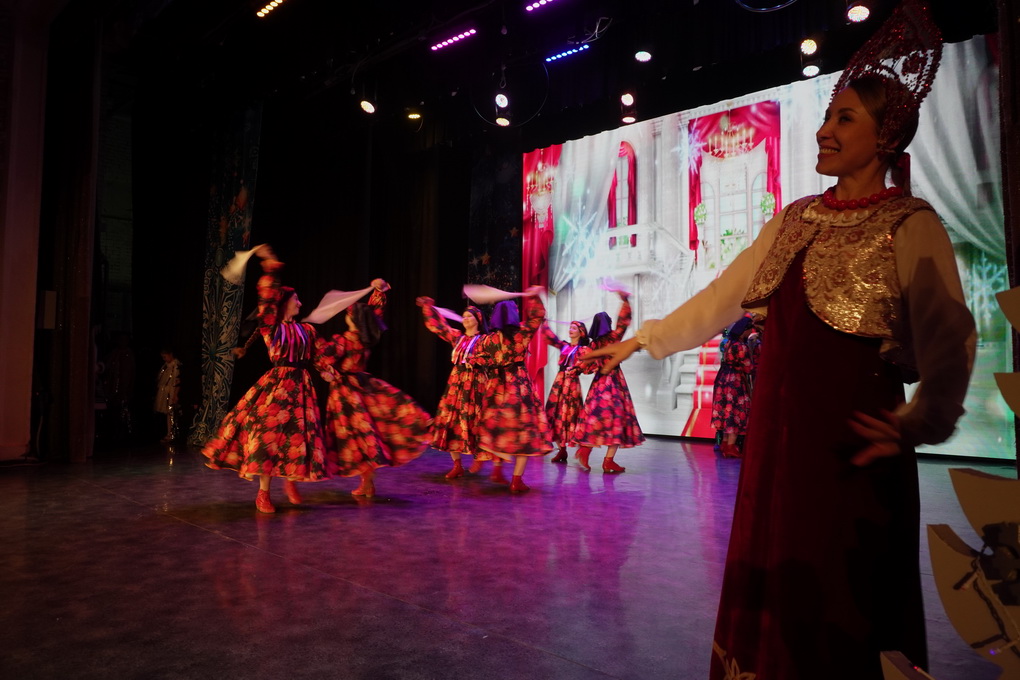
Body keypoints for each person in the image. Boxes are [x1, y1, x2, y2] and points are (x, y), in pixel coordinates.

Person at [580, 3, 976, 676]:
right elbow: (724, 294)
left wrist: (920, 421)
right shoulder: (797, 220)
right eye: (826, 117)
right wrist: (642, 341)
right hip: (778, 444)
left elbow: (949, 333)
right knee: (778, 584)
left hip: (851, 449)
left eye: (843, 119)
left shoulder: (910, 223)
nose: (824, 131)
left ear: (885, 135)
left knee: (841, 597)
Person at [202, 245, 334, 513]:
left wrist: (326, 370)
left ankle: (291, 481)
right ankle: (263, 493)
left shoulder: (307, 330)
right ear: (284, 303)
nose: (300, 304)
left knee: (298, 437)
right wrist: (271, 265)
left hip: (302, 388)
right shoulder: (271, 328)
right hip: (278, 385)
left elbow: (320, 354)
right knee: (268, 436)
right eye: (296, 300)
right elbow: (266, 299)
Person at [316, 279, 431, 498]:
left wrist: (324, 364)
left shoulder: (344, 340)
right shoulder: (364, 338)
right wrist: (379, 292)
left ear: (351, 318)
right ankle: (367, 482)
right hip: (362, 385)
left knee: (358, 438)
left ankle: (366, 483)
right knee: (367, 435)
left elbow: (323, 358)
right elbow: (374, 314)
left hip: (346, 393)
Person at [470, 290, 552, 492]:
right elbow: (538, 314)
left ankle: (496, 464)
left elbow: (474, 359)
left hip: (496, 387)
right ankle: (516, 480)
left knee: (496, 428)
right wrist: (534, 296)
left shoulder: (486, 340)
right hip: (518, 387)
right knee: (523, 433)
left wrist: (492, 362)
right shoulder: (521, 334)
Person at [417, 297, 496, 480]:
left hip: (476, 384)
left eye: (469, 316)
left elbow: (494, 359)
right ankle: (457, 465)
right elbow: (438, 326)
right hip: (456, 384)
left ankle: (480, 456)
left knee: (476, 421)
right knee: (451, 422)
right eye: (464, 316)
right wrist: (427, 307)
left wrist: (477, 360)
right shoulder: (458, 338)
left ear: (478, 319)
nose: (466, 319)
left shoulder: (485, 340)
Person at [572, 291, 645, 473]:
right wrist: (625, 301)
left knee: (595, 419)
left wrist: (577, 369)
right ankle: (608, 461)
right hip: (614, 383)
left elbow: (586, 367)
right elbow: (623, 321)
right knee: (618, 421)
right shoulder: (613, 338)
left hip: (598, 385)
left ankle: (586, 450)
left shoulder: (592, 345)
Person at [541, 320, 591, 463]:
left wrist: (577, 369)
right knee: (555, 413)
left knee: (570, 414)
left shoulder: (583, 349)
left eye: (574, 328)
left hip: (572, 384)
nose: (570, 330)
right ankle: (561, 450)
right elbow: (552, 338)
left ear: (581, 332)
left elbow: (589, 366)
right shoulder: (565, 346)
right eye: (570, 327)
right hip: (559, 382)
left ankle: (581, 449)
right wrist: (543, 323)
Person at [710, 316, 754, 458]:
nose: (750, 333)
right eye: (749, 330)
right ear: (744, 330)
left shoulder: (728, 343)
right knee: (735, 410)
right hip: (735, 381)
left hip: (723, 378)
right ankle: (730, 446)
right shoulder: (741, 346)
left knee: (726, 409)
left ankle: (724, 443)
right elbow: (748, 367)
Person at [154, 346, 182, 443]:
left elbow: (178, 382)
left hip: (172, 392)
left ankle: (172, 434)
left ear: (170, 354)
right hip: (166, 393)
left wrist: (175, 395)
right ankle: (169, 433)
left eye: (165, 356)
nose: (164, 359)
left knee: (172, 413)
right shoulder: (166, 366)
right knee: (169, 414)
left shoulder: (176, 366)